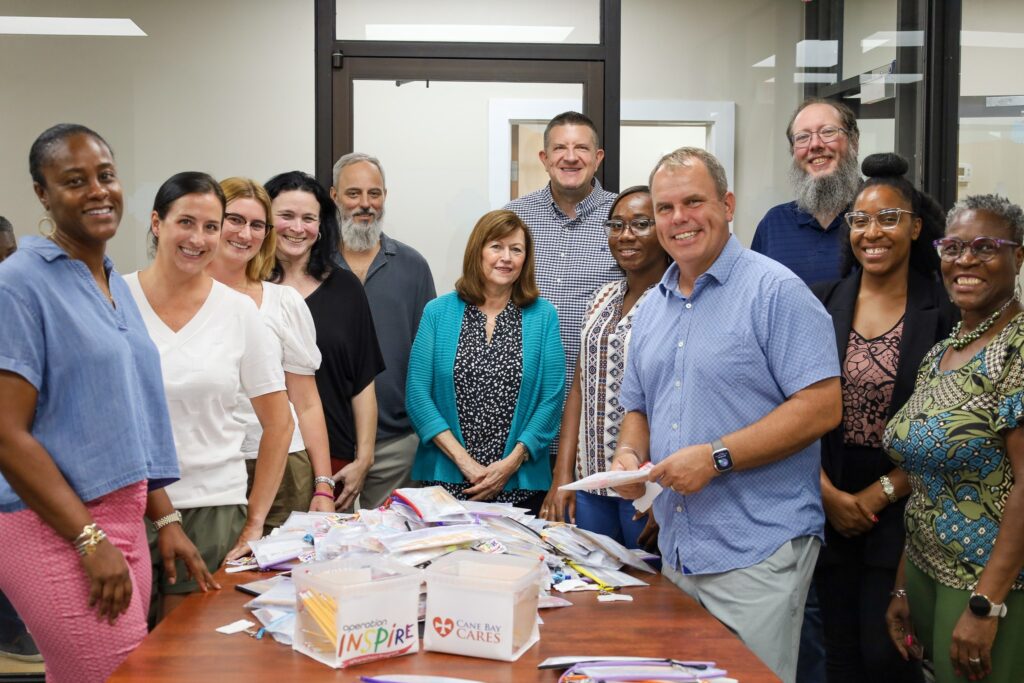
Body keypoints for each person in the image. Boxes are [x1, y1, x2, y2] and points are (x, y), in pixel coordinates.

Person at [611, 147, 841, 683]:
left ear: (728, 205)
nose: (679, 219)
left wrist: (715, 458)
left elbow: (821, 406)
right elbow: (638, 405)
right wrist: (628, 455)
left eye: (694, 202)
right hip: (679, 549)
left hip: (757, 548)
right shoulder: (652, 307)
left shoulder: (776, 291)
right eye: (665, 208)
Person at [0, 124, 214, 682]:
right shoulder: (18, 284)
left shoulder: (111, 279)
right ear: (43, 194)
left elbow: (125, 415)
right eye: (75, 181)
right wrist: (88, 539)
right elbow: (6, 435)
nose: (98, 191)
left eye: (106, 175)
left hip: (123, 521)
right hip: (54, 526)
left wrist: (165, 517)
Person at [813, 153, 956, 683]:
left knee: (887, 655)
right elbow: (794, 406)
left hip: (906, 503)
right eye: (860, 220)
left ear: (916, 228)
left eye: (889, 218)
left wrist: (882, 493)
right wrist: (827, 493)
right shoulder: (821, 301)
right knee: (835, 656)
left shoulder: (944, 311)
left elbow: (951, 425)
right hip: (826, 497)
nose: (872, 232)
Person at [125, 172, 292, 617]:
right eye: (186, 222)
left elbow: (279, 422)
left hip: (212, 509)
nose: (198, 239)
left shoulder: (238, 312)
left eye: (211, 226)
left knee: (192, 649)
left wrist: (254, 522)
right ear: (157, 222)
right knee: (121, 649)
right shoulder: (116, 300)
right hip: (126, 507)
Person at [884, 194, 1024, 683]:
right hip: (926, 571)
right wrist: (904, 585)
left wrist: (986, 605)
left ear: (1018, 257)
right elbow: (926, 481)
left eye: (985, 247)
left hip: (990, 586)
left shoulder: (1017, 349)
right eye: (954, 247)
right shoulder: (942, 353)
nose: (965, 260)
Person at [406, 209, 564, 514]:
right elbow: (417, 396)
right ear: (477, 251)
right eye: (496, 247)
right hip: (446, 481)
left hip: (520, 484)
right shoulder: (437, 312)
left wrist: (510, 464)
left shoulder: (543, 316)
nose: (506, 258)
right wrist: (467, 464)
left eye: (516, 250)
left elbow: (551, 400)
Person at [540, 185, 669, 547]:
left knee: (645, 579)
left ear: (663, 229)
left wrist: (664, 493)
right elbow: (578, 389)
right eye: (616, 225)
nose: (626, 235)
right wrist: (563, 477)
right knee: (590, 576)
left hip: (644, 488)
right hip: (590, 481)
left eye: (641, 224)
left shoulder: (674, 300)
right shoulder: (602, 297)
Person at [207, 177, 335, 531]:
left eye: (257, 225)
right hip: (208, 468)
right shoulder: (181, 300)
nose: (245, 234)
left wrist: (324, 485)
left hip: (283, 467)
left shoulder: (284, 302)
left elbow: (306, 402)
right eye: (235, 220)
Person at [269, 170, 385, 510]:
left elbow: (363, 381)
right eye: (286, 216)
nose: (297, 227)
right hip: (259, 455)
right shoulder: (247, 288)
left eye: (308, 218)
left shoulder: (346, 288)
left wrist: (364, 458)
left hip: (334, 460)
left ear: (321, 226)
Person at [329, 153, 435, 508]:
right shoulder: (315, 266)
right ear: (334, 196)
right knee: (327, 540)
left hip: (397, 444)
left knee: (395, 539)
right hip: (327, 446)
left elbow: (428, 358)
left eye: (374, 193)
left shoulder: (413, 266)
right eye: (353, 193)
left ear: (385, 196)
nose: (365, 204)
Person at [504, 111, 620, 396]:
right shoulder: (515, 216)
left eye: (581, 148)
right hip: (522, 390)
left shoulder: (622, 218)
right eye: (559, 148)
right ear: (544, 159)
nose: (570, 157)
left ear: (598, 158)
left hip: (600, 390)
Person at [752, 97, 862, 286]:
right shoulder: (773, 224)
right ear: (793, 151)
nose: (815, 144)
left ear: (854, 142)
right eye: (803, 137)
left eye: (828, 132)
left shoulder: (879, 220)